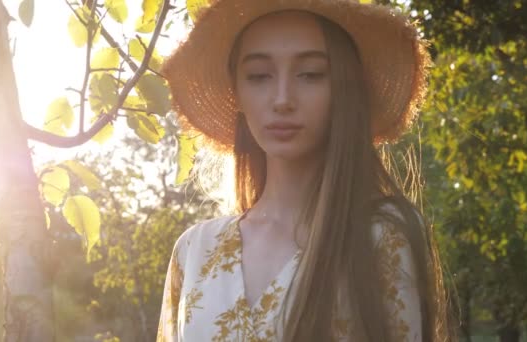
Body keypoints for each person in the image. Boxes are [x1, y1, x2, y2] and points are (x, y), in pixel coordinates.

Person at [157, 0, 452, 341]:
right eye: (259, 76)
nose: (282, 98)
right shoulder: (195, 250)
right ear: (237, 92)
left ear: (344, 88)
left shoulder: (381, 237)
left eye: (311, 74)